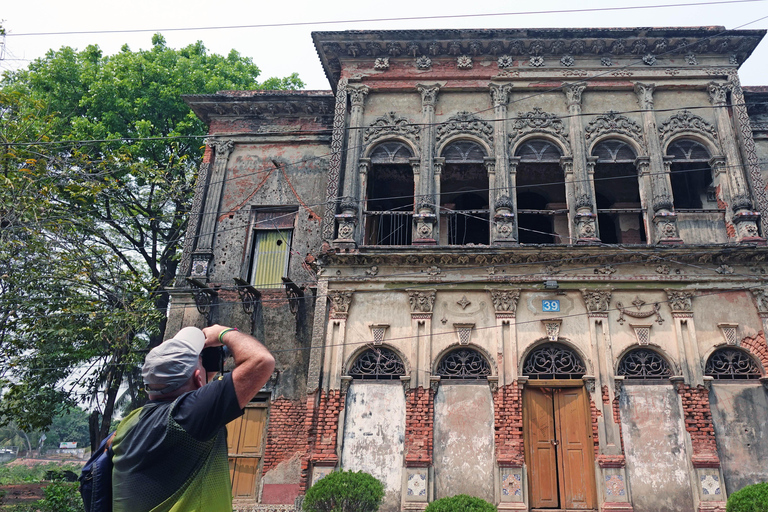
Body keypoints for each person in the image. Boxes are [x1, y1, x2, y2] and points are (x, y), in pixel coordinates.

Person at [111, 325, 275, 512]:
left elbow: (196, 390)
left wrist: (203, 367)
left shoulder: (130, 422)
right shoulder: (187, 416)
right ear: (198, 378)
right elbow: (262, 361)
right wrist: (224, 333)